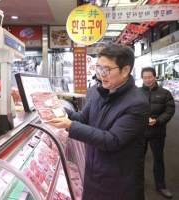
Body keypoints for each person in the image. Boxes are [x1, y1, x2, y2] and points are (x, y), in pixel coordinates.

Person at [47, 44, 149, 200]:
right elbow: (82, 119)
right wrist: (55, 106)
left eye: (107, 69)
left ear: (126, 70)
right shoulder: (100, 92)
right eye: (98, 67)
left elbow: (111, 140)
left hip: (119, 183)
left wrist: (70, 126)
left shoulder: (137, 103)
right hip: (94, 173)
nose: (101, 74)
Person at [140, 67, 175, 199]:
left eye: (150, 77)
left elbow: (170, 110)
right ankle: (138, 183)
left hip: (157, 131)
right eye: (145, 77)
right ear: (142, 78)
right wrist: (143, 120)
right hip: (140, 132)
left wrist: (158, 120)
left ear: (155, 77)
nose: (147, 80)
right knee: (138, 159)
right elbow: (131, 109)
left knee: (158, 159)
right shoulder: (136, 93)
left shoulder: (165, 93)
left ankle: (161, 185)